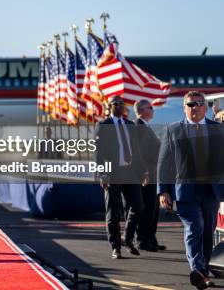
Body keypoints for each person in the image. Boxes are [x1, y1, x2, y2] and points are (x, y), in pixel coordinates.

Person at [158, 91, 224, 289]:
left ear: (205, 107)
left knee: (207, 232)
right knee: (194, 228)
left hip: (211, 191)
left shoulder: (218, 130)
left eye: (198, 104)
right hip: (185, 191)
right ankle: (197, 270)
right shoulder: (173, 130)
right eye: (190, 104)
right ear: (184, 107)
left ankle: (202, 272)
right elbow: (164, 164)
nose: (194, 107)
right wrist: (163, 191)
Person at [94, 95, 146, 259]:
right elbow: (98, 152)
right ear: (109, 106)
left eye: (122, 103)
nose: (119, 105)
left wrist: (143, 171)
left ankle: (127, 238)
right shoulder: (103, 125)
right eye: (115, 103)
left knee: (138, 206)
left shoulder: (130, 125)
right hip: (112, 173)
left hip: (130, 172)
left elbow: (136, 151)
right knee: (113, 212)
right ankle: (116, 247)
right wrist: (102, 173)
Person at [133, 99, 165, 252]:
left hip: (154, 172)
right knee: (147, 208)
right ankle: (143, 240)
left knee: (154, 208)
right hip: (147, 174)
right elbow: (140, 153)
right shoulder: (138, 127)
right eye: (150, 108)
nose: (153, 110)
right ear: (141, 110)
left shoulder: (145, 126)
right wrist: (144, 171)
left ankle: (151, 239)